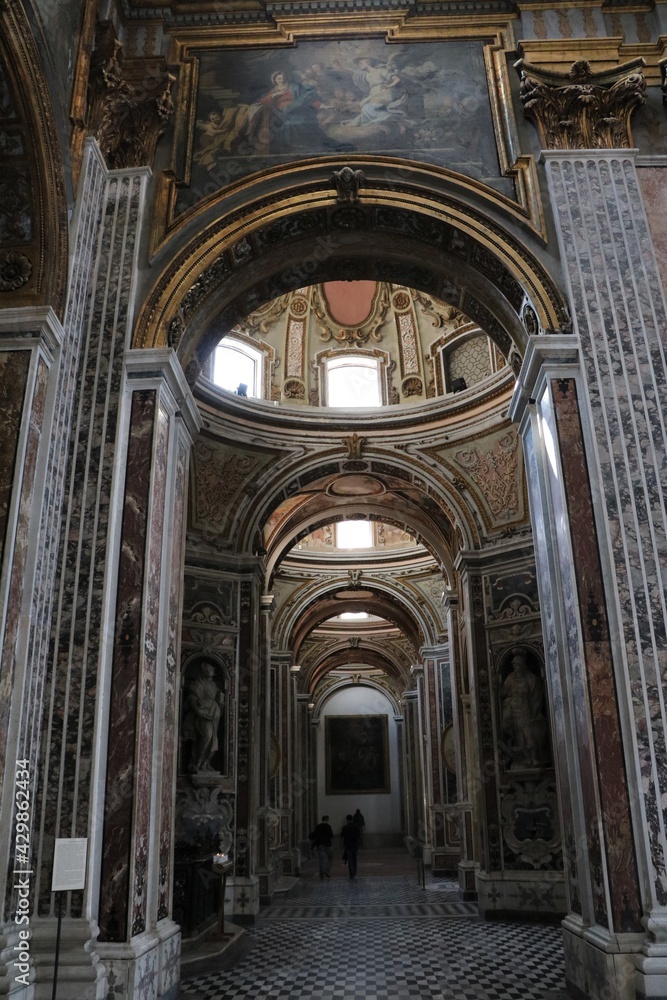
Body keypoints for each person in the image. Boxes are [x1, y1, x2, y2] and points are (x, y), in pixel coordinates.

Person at [500, 647, 546, 767]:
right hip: (513, 708)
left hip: (526, 709)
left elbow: (537, 695)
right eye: (514, 665)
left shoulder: (531, 678)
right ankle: (523, 757)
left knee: (528, 733)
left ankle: (534, 757)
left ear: (522, 665)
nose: (516, 668)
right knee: (518, 735)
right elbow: (503, 692)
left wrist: (535, 710)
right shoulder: (510, 678)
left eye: (518, 665)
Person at [182, 661, 225, 773]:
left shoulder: (213, 685)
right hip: (202, 715)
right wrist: (198, 711)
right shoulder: (198, 683)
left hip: (213, 714)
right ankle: (197, 763)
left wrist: (220, 701)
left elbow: (217, 698)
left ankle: (205, 764)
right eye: (210, 669)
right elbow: (191, 699)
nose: (212, 671)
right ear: (204, 671)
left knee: (214, 739)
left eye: (212, 670)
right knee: (207, 735)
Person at [310, 815, 334, 879]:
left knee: (321, 860)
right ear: (327, 820)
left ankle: (321, 874)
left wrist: (313, 846)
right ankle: (327, 869)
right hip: (327, 845)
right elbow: (331, 836)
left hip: (320, 845)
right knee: (330, 858)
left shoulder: (318, 827)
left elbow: (315, 836)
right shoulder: (328, 827)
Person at [341, 813, 360, 879]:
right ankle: (354, 871)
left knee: (350, 860)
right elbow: (359, 835)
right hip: (355, 845)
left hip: (348, 845)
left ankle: (351, 873)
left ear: (347, 820)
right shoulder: (356, 826)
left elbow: (342, 835)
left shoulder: (345, 827)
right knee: (355, 859)